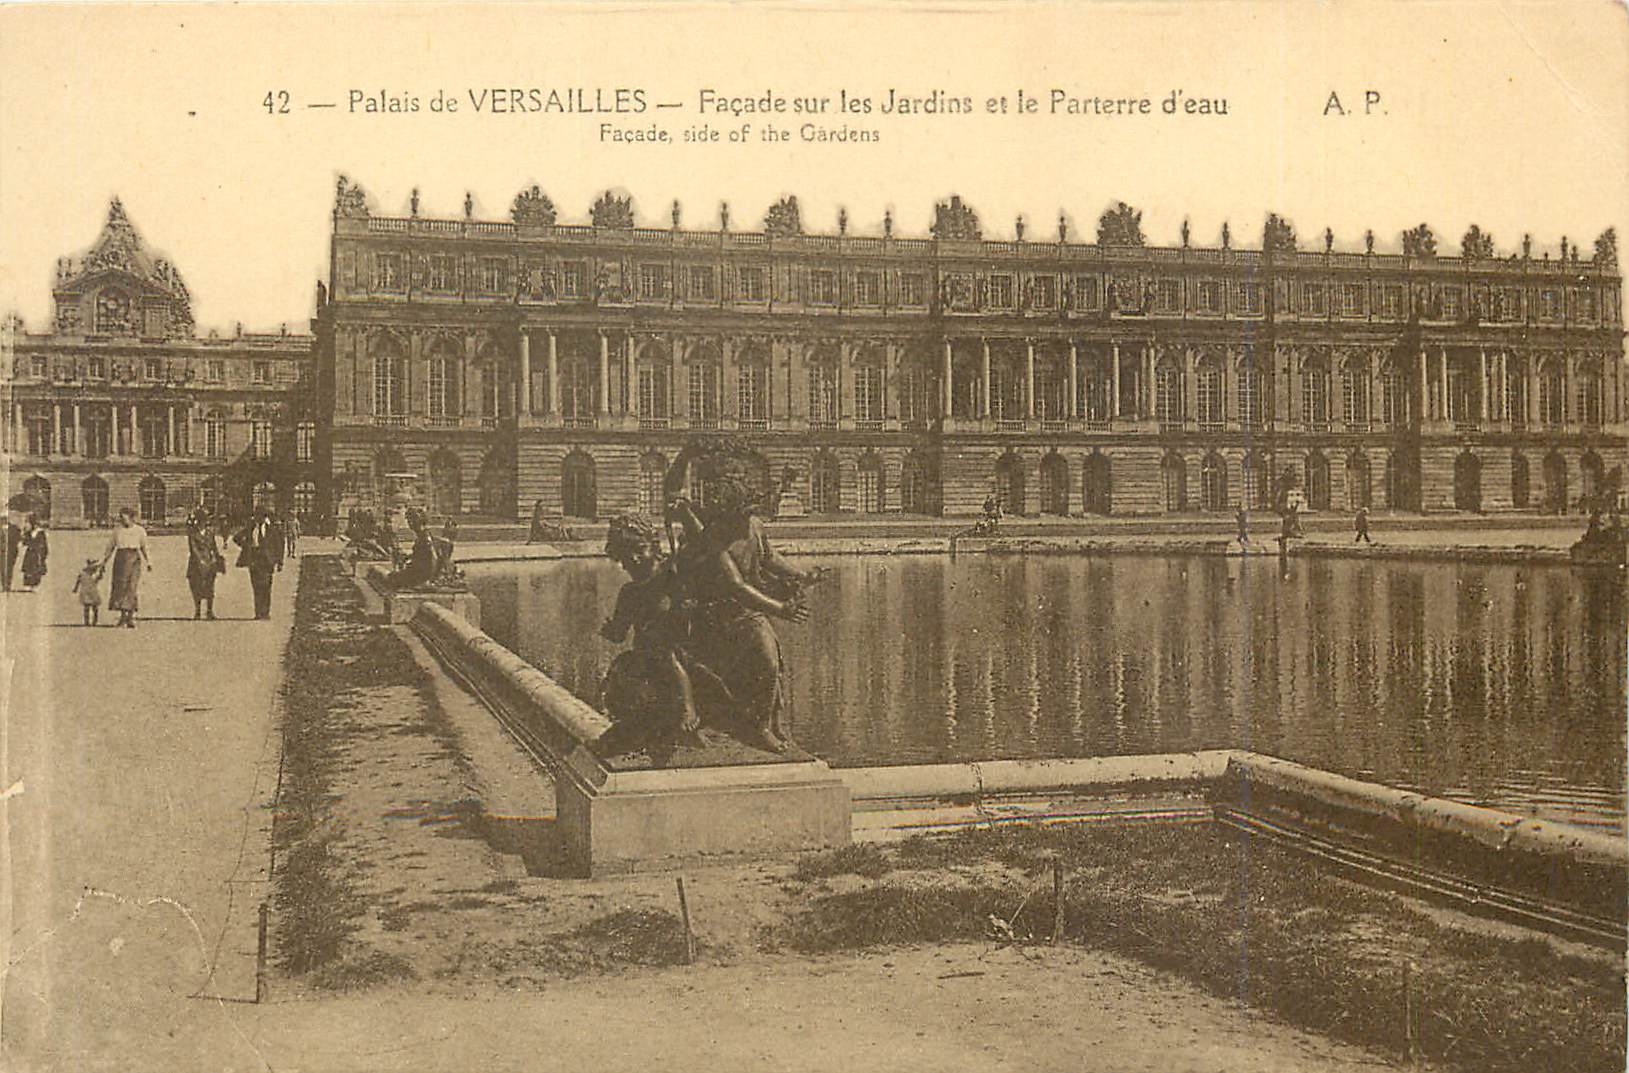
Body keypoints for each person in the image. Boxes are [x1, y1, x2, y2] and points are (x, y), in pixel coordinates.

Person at [675, 474, 812, 754]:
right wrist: (781, 609)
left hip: (750, 609)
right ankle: (759, 728)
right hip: (722, 613)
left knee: (771, 662)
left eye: (749, 512)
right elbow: (737, 586)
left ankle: (768, 720)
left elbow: (770, 558)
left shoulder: (754, 526)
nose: (746, 519)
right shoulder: (714, 538)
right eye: (741, 513)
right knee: (762, 660)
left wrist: (801, 574)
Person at [599, 513, 702, 760]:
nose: (633, 559)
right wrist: (611, 630)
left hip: (676, 651)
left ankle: (689, 709)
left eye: (639, 550)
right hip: (644, 657)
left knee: (668, 657)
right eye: (624, 556)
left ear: (654, 547)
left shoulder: (672, 577)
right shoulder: (629, 592)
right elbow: (620, 633)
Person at [102, 508, 153, 628]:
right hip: (120, 559)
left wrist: (149, 562)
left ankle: (130, 617)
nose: (123, 520)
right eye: (121, 518)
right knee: (120, 587)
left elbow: (144, 547)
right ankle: (122, 616)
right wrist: (103, 561)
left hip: (134, 559)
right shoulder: (117, 531)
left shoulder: (139, 530)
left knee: (131, 587)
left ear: (131, 518)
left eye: (125, 518)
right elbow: (110, 547)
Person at [234, 506, 285, 620]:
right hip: (254, 560)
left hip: (267, 561)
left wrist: (279, 561)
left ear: (264, 517)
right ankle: (258, 612)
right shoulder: (250, 528)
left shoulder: (272, 529)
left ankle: (265, 612)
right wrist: (246, 546)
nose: (258, 519)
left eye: (260, 516)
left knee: (266, 587)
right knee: (256, 586)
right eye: (256, 516)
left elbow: (279, 545)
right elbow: (236, 538)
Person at [185, 509, 226, 619]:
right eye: (202, 520)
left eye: (205, 520)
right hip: (196, 563)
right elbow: (193, 549)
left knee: (210, 587)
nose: (204, 523)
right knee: (196, 586)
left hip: (209, 562)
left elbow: (214, 546)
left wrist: (217, 558)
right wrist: (200, 560)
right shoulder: (192, 533)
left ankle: (209, 611)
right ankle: (197, 611)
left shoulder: (210, 532)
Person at [19, 515, 48, 590]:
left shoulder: (40, 532)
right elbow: (24, 542)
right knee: (28, 568)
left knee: (36, 569)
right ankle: (28, 583)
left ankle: (35, 584)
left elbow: (44, 545)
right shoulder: (28, 533)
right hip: (30, 552)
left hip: (37, 553)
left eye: (28, 523)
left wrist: (42, 554)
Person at [73, 558, 104, 626]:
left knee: (94, 608)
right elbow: (78, 581)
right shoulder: (83, 573)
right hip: (86, 592)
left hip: (93, 592)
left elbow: (100, 577)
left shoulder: (95, 574)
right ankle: (86, 621)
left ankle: (94, 621)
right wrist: (75, 588)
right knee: (86, 608)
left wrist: (101, 571)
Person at [0, 516, 19, 592]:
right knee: (2, 569)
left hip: (11, 552)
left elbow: (17, 538)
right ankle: (4, 585)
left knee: (9, 569)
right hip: (1, 552)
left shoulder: (13, 528)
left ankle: (8, 585)